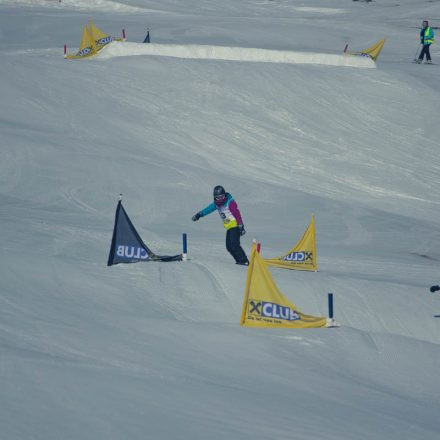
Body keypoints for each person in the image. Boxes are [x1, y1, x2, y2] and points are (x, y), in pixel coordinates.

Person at [192, 185, 249, 265]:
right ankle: (239, 261)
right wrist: (199, 214)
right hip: (229, 227)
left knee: (235, 245)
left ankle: (244, 261)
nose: (220, 199)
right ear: (215, 197)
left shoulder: (230, 202)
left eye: (222, 197)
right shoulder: (216, 204)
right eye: (218, 197)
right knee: (229, 247)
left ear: (224, 195)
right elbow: (208, 209)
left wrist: (240, 224)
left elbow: (236, 213)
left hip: (235, 226)